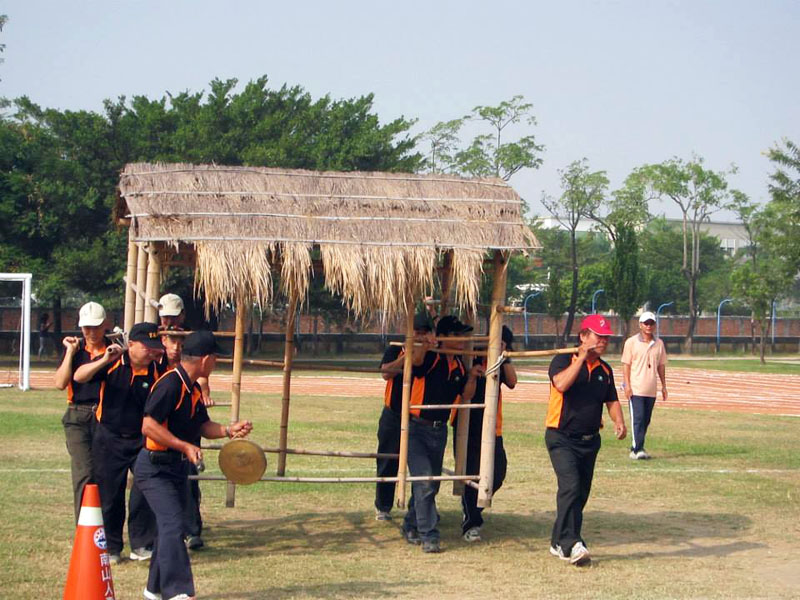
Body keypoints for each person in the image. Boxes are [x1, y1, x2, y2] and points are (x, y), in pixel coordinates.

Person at [135, 330, 253, 600]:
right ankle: (178, 592)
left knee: (170, 526)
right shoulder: (170, 384)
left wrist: (227, 429)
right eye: (215, 359)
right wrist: (184, 446)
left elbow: (201, 424)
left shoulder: (193, 388)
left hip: (174, 468)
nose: (215, 364)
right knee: (173, 525)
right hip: (154, 468)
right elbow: (148, 425)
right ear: (205, 359)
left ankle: (154, 589)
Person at [73, 322, 162, 564]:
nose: (152, 352)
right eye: (147, 347)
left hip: (142, 439)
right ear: (131, 345)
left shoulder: (157, 368)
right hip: (109, 437)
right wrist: (104, 360)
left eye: (155, 347)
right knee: (110, 494)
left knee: (145, 490)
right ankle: (111, 547)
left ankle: (142, 544)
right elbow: (79, 376)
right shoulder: (113, 361)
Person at [545, 314, 627, 566]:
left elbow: (611, 399)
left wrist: (618, 420)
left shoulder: (605, 370)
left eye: (606, 337)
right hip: (561, 437)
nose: (603, 341)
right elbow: (561, 384)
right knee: (569, 486)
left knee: (579, 493)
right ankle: (573, 543)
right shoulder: (562, 359)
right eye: (598, 335)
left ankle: (559, 541)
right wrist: (580, 357)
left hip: (590, 440)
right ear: (583, 336)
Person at [402, 315, 479, 553]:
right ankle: (429, 535)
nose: (463, 340)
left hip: (438, 430)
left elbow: (466, 395)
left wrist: (473, 375)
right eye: (457, 335)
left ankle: (411, 523)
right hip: (416, 427)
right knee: (424, 481)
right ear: (445, 337)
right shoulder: (431, 358)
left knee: (430, 484)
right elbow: (414, 363)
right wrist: (425, 345)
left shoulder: (457, 364)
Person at [450, 325, 517, 543]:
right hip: (466, 425)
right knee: (470, 473)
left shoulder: (499, 360)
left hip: (492, 427)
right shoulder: (473, 354)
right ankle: (471, 522)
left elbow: (513, 382)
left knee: (497, 472)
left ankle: (473, 509)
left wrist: (504, 357)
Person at [158, 293, 210, 550]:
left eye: (172, 315)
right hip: (162, 418)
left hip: (185, 412)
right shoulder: (154, 340)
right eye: (164, 315)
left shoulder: (189, 339)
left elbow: (198, 370)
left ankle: (192, 530)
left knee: (189, 480)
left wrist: (205, 390)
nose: (168, 320)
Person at [54, 301, 109, 522]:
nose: (90, 332)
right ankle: (84, 529)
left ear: (105, 324)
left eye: (95, 326)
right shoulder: (76, 351)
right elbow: (60, 383)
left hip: (105, 416)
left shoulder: (112, 349)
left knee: (103, 475)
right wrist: (69, 352)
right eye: (86, 327)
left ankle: (102, 526)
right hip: (77, 415)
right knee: (84, 474)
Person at [374, 314, 433, 521]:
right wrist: (405, 356)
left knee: (419, 465)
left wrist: (423, 350)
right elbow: (386, 373)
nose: (420, 335)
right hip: (393, 414)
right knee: (387, 461)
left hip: (416, 417)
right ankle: (383, 506)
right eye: (417, 331)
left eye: (424, 331)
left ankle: (417, 509)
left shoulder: (430, 353)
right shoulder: (395, 348)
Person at [621, 311, 668, 460]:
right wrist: (627, 385)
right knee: (638, 418)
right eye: (646, 323)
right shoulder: (631, 342)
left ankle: (639, 445)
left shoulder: (659, 344)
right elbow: (626, 365)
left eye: (651, 323)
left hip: (651, 389)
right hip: (636, 388)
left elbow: (661, 366)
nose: (649, 326)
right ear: (640, 325)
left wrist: (664, 385)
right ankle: (636, 449)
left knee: (646, 420)